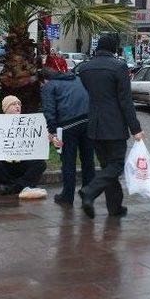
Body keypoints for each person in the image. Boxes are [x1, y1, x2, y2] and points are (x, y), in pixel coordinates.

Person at [77, 34, 144, 218]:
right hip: (114, 125)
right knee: (116, 166)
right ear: (114, 48)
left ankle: (115, 207)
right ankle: (89, 191)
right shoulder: (119, 66)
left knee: (108, 166)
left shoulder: (85, 68)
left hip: (94, 124)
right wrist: (136, 128)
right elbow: (125, 101)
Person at [40, 65, 95, 206]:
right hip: (88, 121)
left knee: (68, 162)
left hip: (68, 126)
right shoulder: (77, 79)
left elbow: (49, 110)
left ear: (45, 79)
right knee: (88, 160)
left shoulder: (49, 86)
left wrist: (52, 131)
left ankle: (67, 196)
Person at [0, 96, 47, 195]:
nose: (17, 106)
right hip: (4, 164)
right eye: (13, 104)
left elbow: (37, 144)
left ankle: (16, 186)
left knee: (40, 163)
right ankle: (13, 185)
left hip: (23, 161)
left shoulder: (29, 124)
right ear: (6, 108)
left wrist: (46, 139)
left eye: (19, 104)